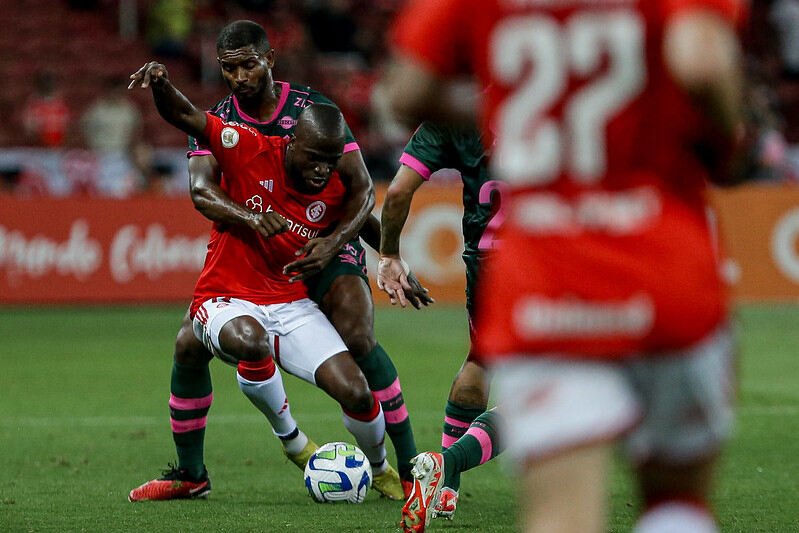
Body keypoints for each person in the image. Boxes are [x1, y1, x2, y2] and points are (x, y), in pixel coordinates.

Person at [385, 1, 745, 532]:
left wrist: (507, 105)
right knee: (678, 499)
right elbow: (704, 63)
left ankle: (447, 473)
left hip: (545, 276)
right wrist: (725, 141)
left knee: (560, 512)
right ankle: (450, 471)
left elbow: (404, 93)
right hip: (661, 263)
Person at [129, 20, 416, 502]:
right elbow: (198, 173)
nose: (239, 76)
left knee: (359, 351)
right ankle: (248, 458)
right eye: (229, 68)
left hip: (319, 253)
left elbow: (359, 194)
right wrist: (246, 215)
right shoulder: (242, 139)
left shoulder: (315, 116)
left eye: (248, 64)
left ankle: (400, 469)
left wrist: (386, 255)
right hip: (243, 269)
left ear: (270, 59)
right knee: (195, 344)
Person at [377, 121, 503, 522]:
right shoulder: (550, 96)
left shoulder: (453, 112)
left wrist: (389, 256)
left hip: (488, 262)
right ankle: (446, 465)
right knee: (554, 391)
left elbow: (396, 191)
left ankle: (445, 493)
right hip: (547, 255)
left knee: (479, 362)